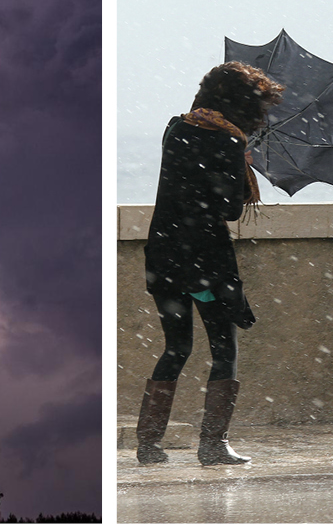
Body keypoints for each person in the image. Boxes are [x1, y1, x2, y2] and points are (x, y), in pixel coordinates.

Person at [135, 61, 279, 466]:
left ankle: (148, 445)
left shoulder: (175, 128)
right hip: (203, 264)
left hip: (163, 256)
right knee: (223, 348)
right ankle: (214, 444)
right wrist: (241, 165)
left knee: (176, 347)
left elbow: (180, 189)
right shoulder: (229, 144)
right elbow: (230, 210)